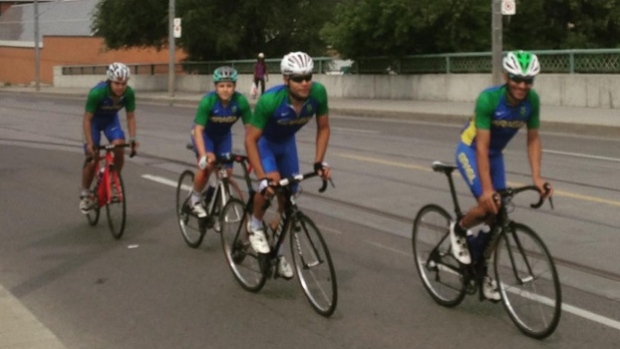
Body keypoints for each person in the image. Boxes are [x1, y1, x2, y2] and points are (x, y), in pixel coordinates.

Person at [451, 50, 554, 301]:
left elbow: (533, 139)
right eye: (517, 79)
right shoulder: (489, 99)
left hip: (495, 155)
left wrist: (537, 177)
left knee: (500, 216)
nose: (522, 86)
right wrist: (487, 191)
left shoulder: (532, 101)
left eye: (528, 81)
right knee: (488, 206)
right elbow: (482, 147)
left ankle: (480, 267)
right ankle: (459, 228)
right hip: (472, 149)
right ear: (507, 76)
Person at [245, 51, 331, 280]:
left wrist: (319, 161)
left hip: (286, 145)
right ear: (286, 80)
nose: (304, 83)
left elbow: (323, 128)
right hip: (265, 144)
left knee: (289, 202)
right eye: (297, 78)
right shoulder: (270, 100)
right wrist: (262, 176)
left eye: (308, 77)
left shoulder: (319, 93)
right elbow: (250, 140)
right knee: (271, 183)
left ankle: (278, 252)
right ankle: (254, 224)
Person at [189, 66, 251, 218]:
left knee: (227, 172)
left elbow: (250, 131)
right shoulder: (208, 101)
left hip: (224, 137)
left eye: (229, 86)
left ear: (235, 87)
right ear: (215, 87)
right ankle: (195, 199)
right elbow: (198, 130)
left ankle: (213, 194)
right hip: (205, 135)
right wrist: (203, 155)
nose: (225, 89)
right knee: (209, 163)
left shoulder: (241, 101)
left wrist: (253, 154)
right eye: (221, 86)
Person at [80, 62, 138, 213]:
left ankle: (113, 178)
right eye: (117, 83)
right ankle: (85, 193)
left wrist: (132, 139)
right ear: (110, 81)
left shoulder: (129, 93)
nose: (120, 87)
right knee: (93, 157)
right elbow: (87, 119)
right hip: (93, 123)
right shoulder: (97, 93)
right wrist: (90, 143)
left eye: (123, 83)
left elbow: (130, 117)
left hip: (110, 121)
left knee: (119, 144)